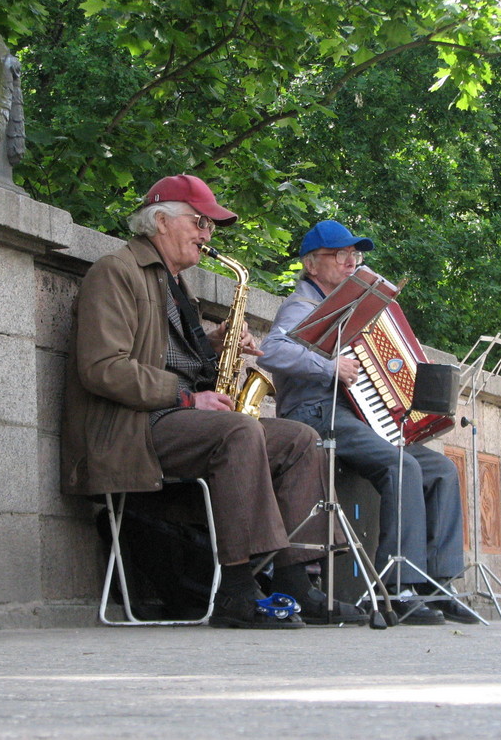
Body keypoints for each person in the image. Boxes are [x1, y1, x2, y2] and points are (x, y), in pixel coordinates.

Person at [61, 175, 365, 629]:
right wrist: (187, 397)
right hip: (129, 430)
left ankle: (296, 582)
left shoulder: (175, 283)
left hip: (173, 420)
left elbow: (166, 352)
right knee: (240, 430)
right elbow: (103, 367)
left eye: (210, 227)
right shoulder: (116, 272)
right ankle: (237, 590)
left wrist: (216, 341)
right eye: (200, 222)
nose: (207, 235)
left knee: (300, 438)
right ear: (161, 221)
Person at [258, 219, 475, 626]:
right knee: (401, 464)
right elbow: (270, 352)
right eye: (341, 255)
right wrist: (329, 365)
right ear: (311, 265)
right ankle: (396, 586)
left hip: (358, 418)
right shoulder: (300, 306)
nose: (351, 263)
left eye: (355, 256)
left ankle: (437, 582)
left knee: (441, 469)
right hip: (315, 415)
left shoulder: (352, 310)